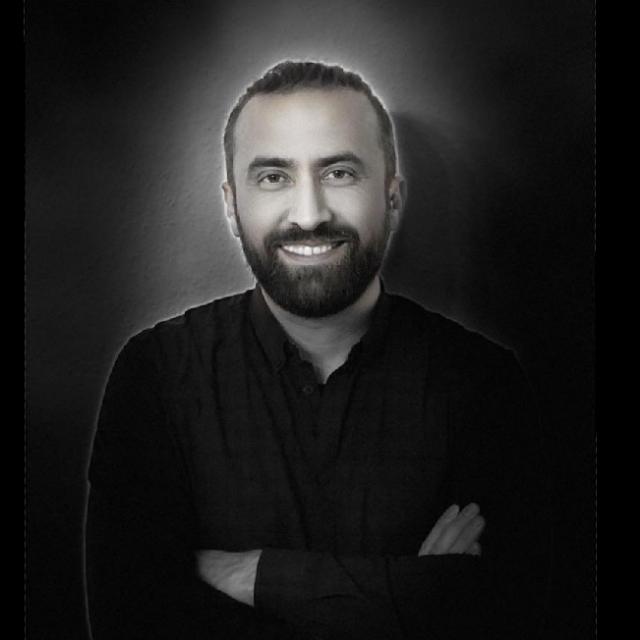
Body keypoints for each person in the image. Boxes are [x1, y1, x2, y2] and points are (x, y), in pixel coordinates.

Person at [85, 61, 552, 639]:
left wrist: (261, 577)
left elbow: (516, 615)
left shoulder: (484, 382)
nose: (309, 214)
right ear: (232, 206)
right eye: (273, 177)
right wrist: (417, 595)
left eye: (339, 172)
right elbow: (132, 621)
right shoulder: (155, 375)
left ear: (392, 197)